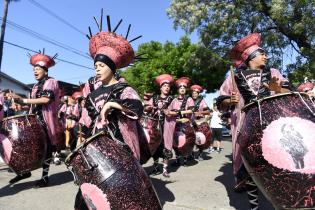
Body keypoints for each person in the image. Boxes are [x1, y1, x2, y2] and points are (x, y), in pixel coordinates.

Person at [74, 15, 146, 209]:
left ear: (112, 68)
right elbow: (85, 120)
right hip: (96, 151)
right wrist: (80, 137)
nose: (97, 70)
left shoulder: (125, 90)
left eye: (102, 66)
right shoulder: (92, 95)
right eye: (95, 66)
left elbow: (137, 110)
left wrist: (112, 105)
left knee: (121, 194)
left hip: (120, 149)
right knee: (89, 196)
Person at [217, 33, 292, 210]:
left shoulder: (273, 73)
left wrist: (277, 89)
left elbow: (290, 92)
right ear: (250, 57)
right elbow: (221, 101)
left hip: (273, 128)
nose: (266, 56)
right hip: (247, 128)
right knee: (251, 169)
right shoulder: (233, 78)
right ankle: (254, 206)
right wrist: (230, 101)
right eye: (262, 53)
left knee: (277, 168)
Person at [10, 51, 60, 188]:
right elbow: (34, 104)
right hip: (34, 119)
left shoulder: (51, 82)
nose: (35, 71)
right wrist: (22, 105)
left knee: (47, 149)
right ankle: (24, 171)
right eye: (33, 69)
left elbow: (46, 99)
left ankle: (45, 178)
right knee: (25, 144)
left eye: (37, 69)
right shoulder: (35, 86)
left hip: (46, 122)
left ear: (45, 70)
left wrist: (24, 100)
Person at [143, 74, 174, 177]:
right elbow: (147, 107)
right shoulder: (154, 97)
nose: (166, 88)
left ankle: (165, 169)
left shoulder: (172, 99)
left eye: (168, 86)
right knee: (155, 146)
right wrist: (148, 106)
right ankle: (156, 167)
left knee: (166, 146)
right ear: (160, 87)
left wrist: (169, 112)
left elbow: (176, 111)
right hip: (155, 125)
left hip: (167, 125)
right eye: (164, 86)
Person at [165, 77, 194, 167]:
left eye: (184, 88)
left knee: (186, 142)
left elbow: (191, 111)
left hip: (185, 123)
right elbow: (168, 110)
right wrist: (167, 112)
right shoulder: (174, 100)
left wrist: (181, 112)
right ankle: (177, 160)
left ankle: (185, 160)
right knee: (175, 142)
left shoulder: (189, 99)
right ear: (178, 90)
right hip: (176, 123)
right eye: (180, 88)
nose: (182, 89)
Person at [190, 84, 211, 160]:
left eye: (196, 93)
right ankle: (191, 154)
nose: (194, 94)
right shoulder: (189, 100)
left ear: (198, 94)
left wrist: (200, 113)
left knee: (201, 138)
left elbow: (208, 111)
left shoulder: (202, 101)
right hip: (191, 123)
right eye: (193, 93)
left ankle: (200, 154)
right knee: (190, 139)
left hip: (200, 122)